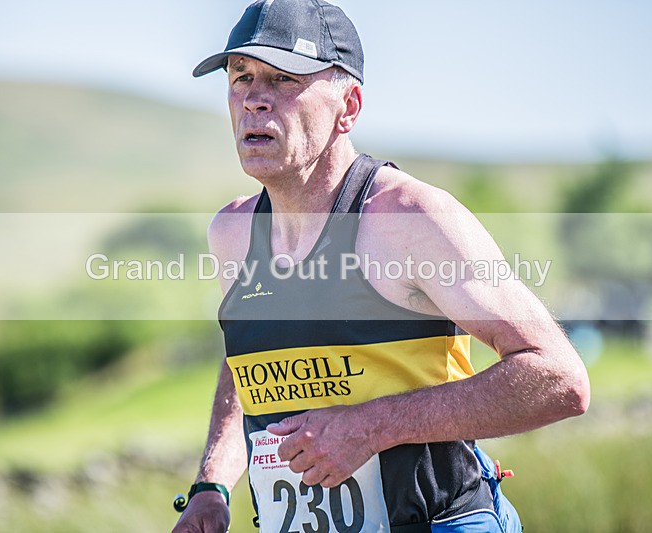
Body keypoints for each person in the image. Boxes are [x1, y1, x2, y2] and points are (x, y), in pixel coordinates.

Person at [172, 1, 590, 532]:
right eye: (240, 76)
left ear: (348, 106)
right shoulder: (231, 232)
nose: (253, 99)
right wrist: (211, 486)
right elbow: (245, 364)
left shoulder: (408, 218)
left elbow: (559, 376)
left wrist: (372, 427)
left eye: (282, 79)